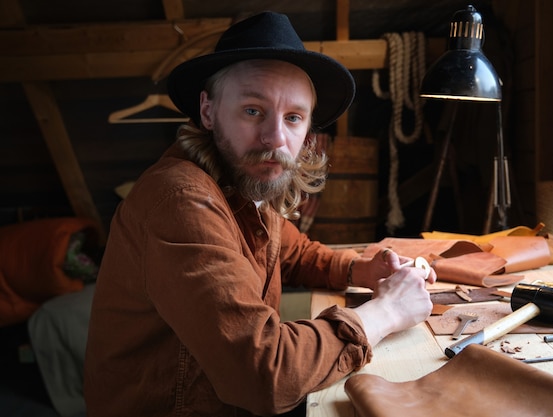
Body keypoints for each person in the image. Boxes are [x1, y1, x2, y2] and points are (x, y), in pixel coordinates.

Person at [84, 11, 435, 417]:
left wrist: (361, 270)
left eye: (293, 118)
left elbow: (294, 252)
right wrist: (386, 311)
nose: (275, 139)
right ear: (208, 110)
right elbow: (264, 376)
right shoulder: (181, 200)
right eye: (253, 110)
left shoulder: (243, 182)